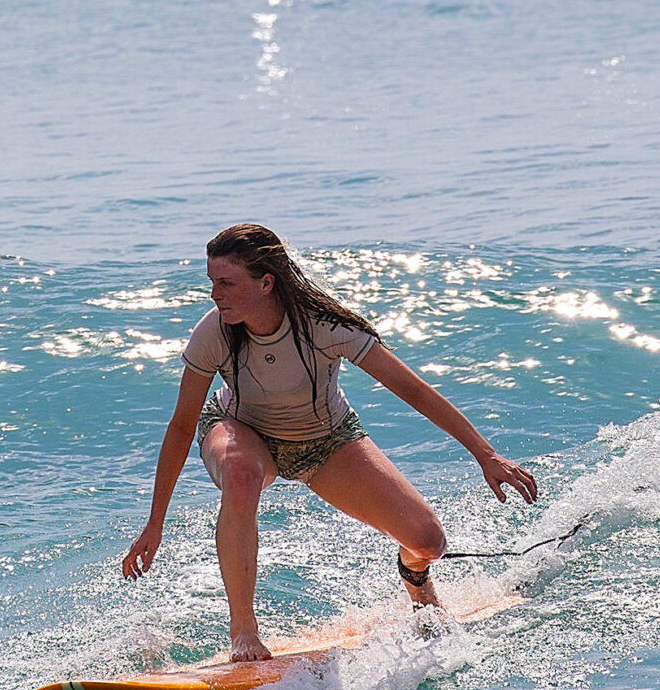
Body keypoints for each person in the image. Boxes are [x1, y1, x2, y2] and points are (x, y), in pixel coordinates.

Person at [122, 222, 539, 661]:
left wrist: (485, 454)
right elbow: (182, 425)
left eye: (225, 283)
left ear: (266, 282)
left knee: (428, 541)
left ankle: (415, 579)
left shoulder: (324, 325)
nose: (214, 294)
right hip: (240, 430)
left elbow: (412, 389)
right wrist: (155, 523)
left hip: (325, 441)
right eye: (212, 282)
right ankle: (243, 630)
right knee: (242, 474)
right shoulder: (215, 332)